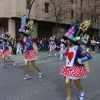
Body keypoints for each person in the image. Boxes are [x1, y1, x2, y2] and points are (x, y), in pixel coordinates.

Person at [60, 20, 92, 100]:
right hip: (68, 67)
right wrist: (63, 53)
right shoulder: (68, 48)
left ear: (72, 40)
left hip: (76, 68)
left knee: (76, 83)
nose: (67, 41)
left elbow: (89, 56)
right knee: (67, 83)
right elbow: (67, 54)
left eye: (68, 39)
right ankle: (69, 98)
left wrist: (84, 56)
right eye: (67, 39)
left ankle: (82, 92)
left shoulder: (79, 48)